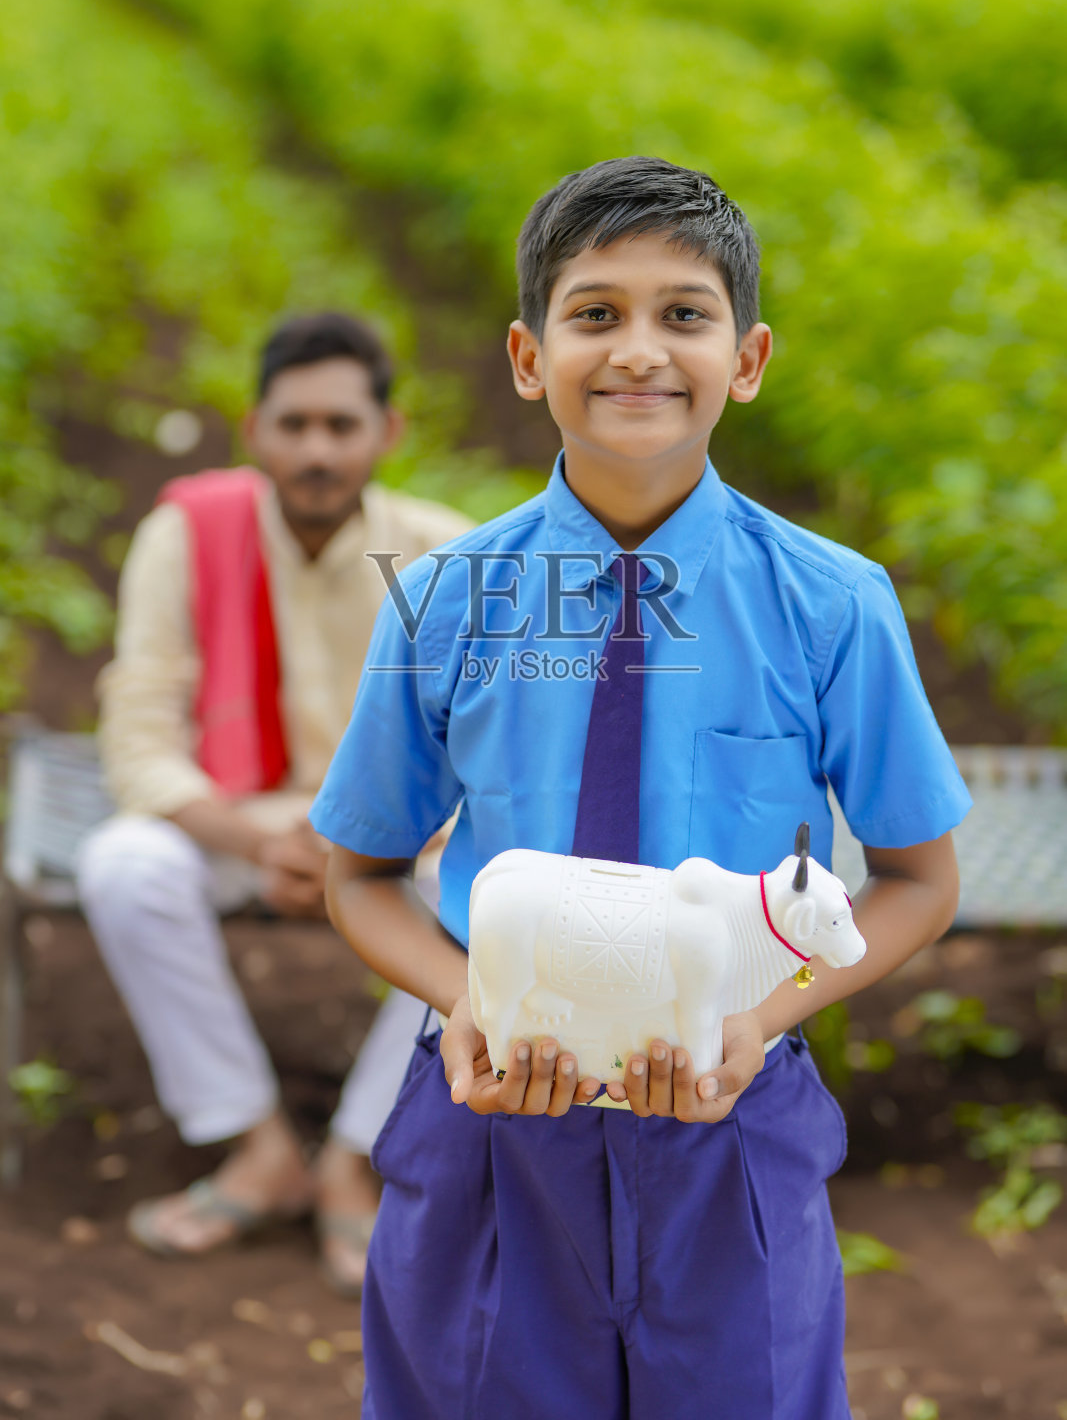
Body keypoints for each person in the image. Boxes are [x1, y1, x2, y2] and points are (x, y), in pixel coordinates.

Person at [310, 158, 971, 1416]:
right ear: (524, 353)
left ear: (749, 355)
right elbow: (359, 872)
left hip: (728, 1131)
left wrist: (758, 1020)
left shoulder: (830, 603)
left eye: (683, 313)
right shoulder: (448, 599)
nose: (638, 352)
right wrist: (470, 1004)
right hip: (491, 1121)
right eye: (594, 312)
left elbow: (920, 878)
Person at [75, 310, 473, 1295]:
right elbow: (138, 732)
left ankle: (354, 1156)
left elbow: (488, 757)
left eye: (341, 425)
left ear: (389, 431)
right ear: (253, 430)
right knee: (123, 865)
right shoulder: (190, 536)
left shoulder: (448, 556)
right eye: (294, 425)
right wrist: (257, 840)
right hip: (237, 821)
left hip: (392, 838)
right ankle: (255, 1142)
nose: (316, 449)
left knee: (493, 898)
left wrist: (356, 851)